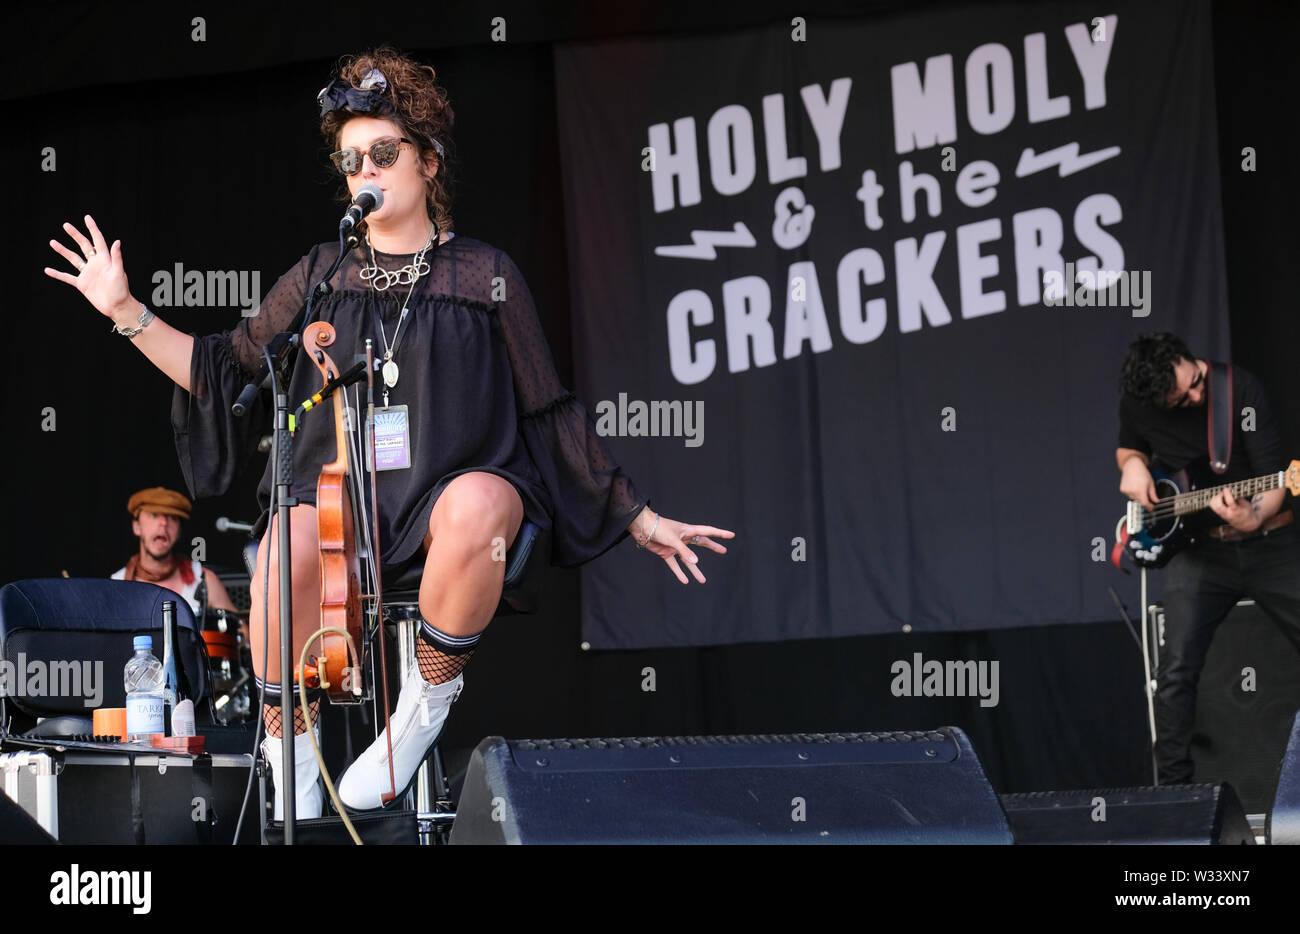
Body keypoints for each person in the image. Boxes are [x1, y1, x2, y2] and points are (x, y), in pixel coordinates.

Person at [46, 46, 734, 820]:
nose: (365, 172)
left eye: (384, 153)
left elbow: (547, 407)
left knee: (476, 506)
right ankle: (288, 742)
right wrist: (125, 311)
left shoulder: (484, 275)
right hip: (349, 502)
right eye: (350, 161)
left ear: (428, 162)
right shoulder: (321, 275)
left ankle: (421, 712)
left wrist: (635, 516)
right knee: (280, 553)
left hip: (459, 493)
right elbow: (223, 367)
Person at [1116, 332, 1300, 784]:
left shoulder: (1242, 390)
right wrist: (1133, 466)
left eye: (1196, 381)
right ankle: (1176, 798)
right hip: (1197, 551)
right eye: (1182, 399)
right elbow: (1129, 446)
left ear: (1187, 356)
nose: (1197, 395)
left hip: (1267, 542)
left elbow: (1277, 478)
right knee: (1175, 672)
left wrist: (1252, 516)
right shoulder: (1139, 404)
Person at [111, 485, 239, 619]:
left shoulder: (202, 580)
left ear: (179, 532)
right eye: (154, 515)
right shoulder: (117, 585)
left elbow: (241, 633)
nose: (163, 523)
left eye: (172, 517)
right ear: (137, 527)